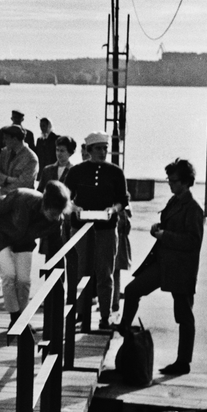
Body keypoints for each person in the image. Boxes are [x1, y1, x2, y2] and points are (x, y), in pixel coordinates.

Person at [119, 158, 204, 376]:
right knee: (132, 290)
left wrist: (165, 235)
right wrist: (158, 228)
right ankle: (126, 333)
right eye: (169, 180)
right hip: (163, 263)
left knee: (184, 316)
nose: (169, 184)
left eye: (173, 181)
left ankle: (183, 362)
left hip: (181, 268)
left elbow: (193, 241)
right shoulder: (175, 201)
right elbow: (170, 225)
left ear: (185, 182)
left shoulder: (193, 208)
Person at [64, 131, 130, 331]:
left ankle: (104, 316)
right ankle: (81, 313)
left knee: (105, 272)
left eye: (105, 149)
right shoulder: (76, 171)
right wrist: (75, 208)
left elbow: (122, 200)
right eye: (99, 148)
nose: (102, 152)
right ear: (89, 150)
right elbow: (65, 197)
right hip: (81, 228)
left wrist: (113, 209)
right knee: (80, 271)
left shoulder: (115, 172)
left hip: (106, 229)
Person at [0, 181, 71, 326]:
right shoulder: (22, 197)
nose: (55, 217)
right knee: (9, 275)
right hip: (1, 237)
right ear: (45, 205)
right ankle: (15, 317)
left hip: (24, 242)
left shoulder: (55, 222)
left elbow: (55, 248)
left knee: (24, 280)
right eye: (53, 213)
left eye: (59, 213)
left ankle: (23, 317)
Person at [0, 125, 38, 195]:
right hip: (4, 198)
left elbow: (23, 184)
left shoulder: (31, 159)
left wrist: (3, 186)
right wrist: (7, 179)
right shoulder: (5, 153)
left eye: (6, 138)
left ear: (14, 139)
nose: (3, 141)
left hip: (21, 199)